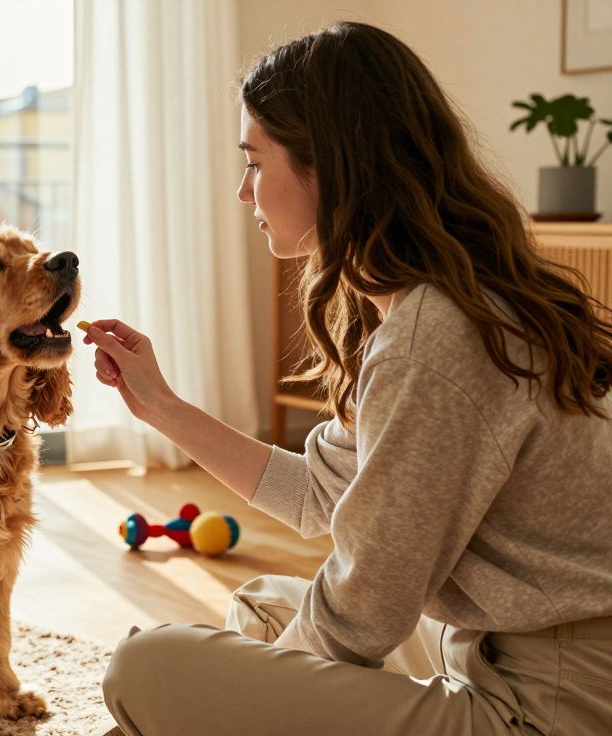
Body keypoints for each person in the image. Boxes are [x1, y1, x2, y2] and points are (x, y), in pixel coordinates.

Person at [88, 21, 612, 736]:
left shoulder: (433, 339)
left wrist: (235, 689)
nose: (244, 192)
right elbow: (318, 495)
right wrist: (162, 408)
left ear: (329, 167)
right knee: (267, 607)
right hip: (494, 651)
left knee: (145, 668)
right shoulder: (428, 304)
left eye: (253, 161)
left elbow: (365, 609)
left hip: (549, 706)